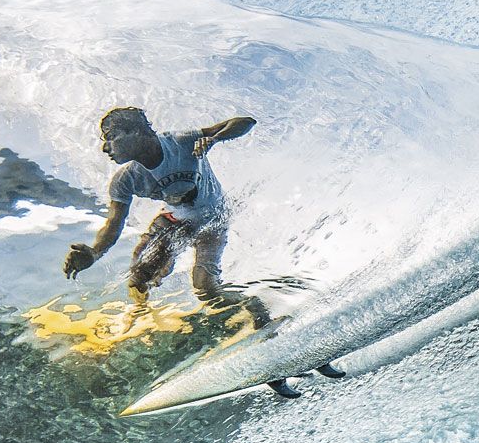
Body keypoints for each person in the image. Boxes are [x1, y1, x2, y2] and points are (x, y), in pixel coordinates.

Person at [62, 105, 341, 397]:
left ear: (138, 132)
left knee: (206, 288)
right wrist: (94, 253)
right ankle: (139, 315)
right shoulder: (125, 179)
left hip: (212, 223)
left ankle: (259, 313)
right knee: (138, 278)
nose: (106, 147)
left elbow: (245, 122)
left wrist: (215, 138)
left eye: (112, 136)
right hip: (172, 223)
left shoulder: (180, 143)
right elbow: (113, 223)